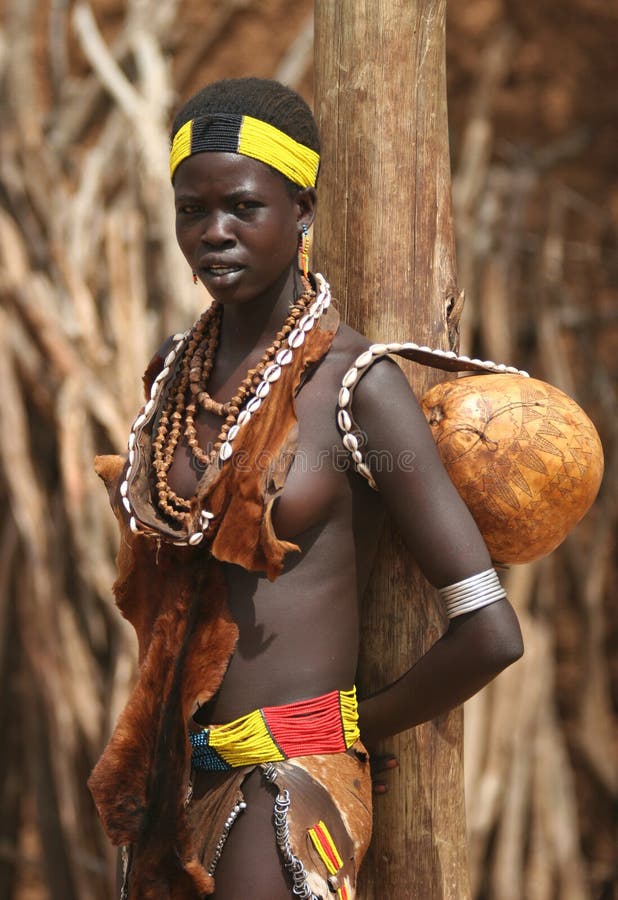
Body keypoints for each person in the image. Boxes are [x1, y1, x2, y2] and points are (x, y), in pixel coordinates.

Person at [89, 77, 523, 900]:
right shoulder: (173, 378)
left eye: (243, 208)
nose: (213, 234)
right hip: (175, 786)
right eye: (192, 210)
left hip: (288, 786)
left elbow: (490, 631)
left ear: (303, 211)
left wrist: (353, 726)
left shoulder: (356, 387)